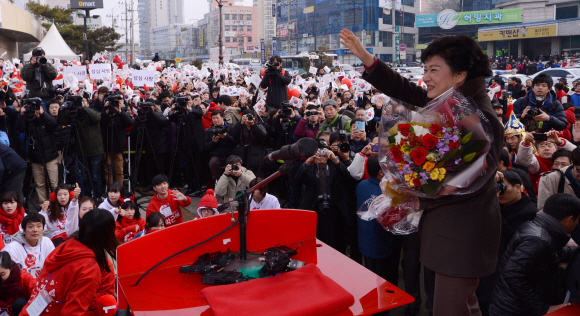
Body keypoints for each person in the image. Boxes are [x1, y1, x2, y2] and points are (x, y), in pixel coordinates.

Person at [340, 30, 503, 315]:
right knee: (465, 304)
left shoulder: (478, 116)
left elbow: (467, 179)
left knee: (449, 308)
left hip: (462, 235)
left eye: (434, 69)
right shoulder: (449, 102)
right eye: (425, 68)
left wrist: (413, 187)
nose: (425, 76)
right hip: (448, 231)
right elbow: (406, 90)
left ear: (460, 74)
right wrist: (368, 60)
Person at [490, 194, 580, 316]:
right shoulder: (539, 240)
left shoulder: (540, 228)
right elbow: (513, 275)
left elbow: (549, 255)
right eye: (578, 219)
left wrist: (576, 251)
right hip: (514, 310)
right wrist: (542, 309)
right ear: (569, 219)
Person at [21, 209, 119, 316]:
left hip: (33, 311)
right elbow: (72, 311)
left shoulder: (63, 248)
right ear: (107, 234)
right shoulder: (90, 267)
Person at [477, 170, 538, 315]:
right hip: (486, 268)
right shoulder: (505, 206)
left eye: (502, 187)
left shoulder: (529, 212)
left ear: (518, 187)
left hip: (502, 276)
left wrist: (494, 206)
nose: (500, 193)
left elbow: (508, 239)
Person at [15, 103, 59, 207]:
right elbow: (19, 128)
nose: (35, 110)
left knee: (53, 184)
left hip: (50, 158)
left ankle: (56, 205)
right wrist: (21, 114)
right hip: (35, 159)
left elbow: (53, 124)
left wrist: (43, 114)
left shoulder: (45, 120)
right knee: (40, 185)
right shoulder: (29, 122)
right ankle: (42, 206)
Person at [4, 213, 55, 278]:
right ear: (24, 230)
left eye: (39, 226)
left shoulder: (46, 242)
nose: (35, 230)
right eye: (30, 227)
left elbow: (54, 264)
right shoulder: (12, 248)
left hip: (43, 282)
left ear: (43, 229)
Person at [100, 93, 135, 186]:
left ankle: (119, 190)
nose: (115, 103)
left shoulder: (123, 113)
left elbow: (130, 123)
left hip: (119, 147)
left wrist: (119, 111)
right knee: (108, 170)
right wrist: (106, 110)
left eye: (118, 101)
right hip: (107, 147)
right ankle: (111, 190)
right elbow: (101, 122)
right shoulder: (105, 112)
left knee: (119, 170)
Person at [231, 110, 268, 175]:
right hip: (243, 157)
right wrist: (240, 123)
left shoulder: (258, 125)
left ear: (254, 117)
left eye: (250, 116)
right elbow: (234, 135)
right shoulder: (240, 127)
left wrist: (253, 125)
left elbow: (263, 136)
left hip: (256, 159)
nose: (248, 118)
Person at [0, 252, 36, 316]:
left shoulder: (24, 279)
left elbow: (39, 297)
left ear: (10, 269)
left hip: (22, 313)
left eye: (2, 274)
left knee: (20, 302)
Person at [205, 110, 236, 180]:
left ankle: (232, 180)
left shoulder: (230, 128)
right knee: (212, 163)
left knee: (234, 162)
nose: (215, 120)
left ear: (222, 118)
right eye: (213, 118)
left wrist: (226, 137)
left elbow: (236, 141)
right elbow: (207, 146)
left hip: (230, 154)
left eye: (217, 118)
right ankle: (220, 179)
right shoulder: (209, 131)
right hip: (217, 155)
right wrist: (213, 142)